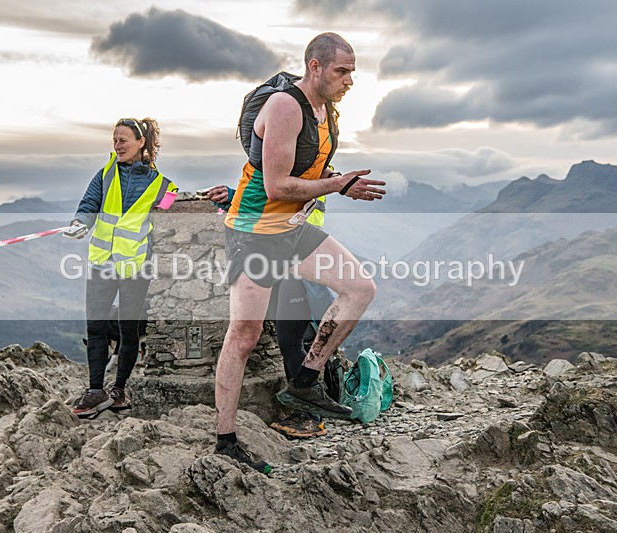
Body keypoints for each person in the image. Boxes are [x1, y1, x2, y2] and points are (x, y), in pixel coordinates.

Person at [213, 33, 386, 473]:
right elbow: (277, 186)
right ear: (314, 66)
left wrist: (340, 180)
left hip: (292, 229)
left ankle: (305, 381)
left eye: (352, 72)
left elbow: (306, 168)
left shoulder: (327, 111)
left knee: (359, 289)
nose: (350, 80)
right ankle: (226, 439)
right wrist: (340, 184)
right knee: (244, 337)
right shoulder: (285, 107)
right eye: (341, 71)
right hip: (254, 233)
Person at [66, 117, 177, 418]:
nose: (117, 145)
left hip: (135, 267)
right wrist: (80, 224)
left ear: (141, 143)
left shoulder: (164, 186)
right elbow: (89, 204)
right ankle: (94, 391)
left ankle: (119, 390)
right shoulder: (105, 174)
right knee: (96, 325)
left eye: (123, 140)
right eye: (114, 140)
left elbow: (171, 224)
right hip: (102, 262)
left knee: (128, 331)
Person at [207, 184, 335, 439]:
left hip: (296, 269)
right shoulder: (308, 167)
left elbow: (286, 202)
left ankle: (311, 417)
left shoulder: (310, 171)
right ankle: (307, 412)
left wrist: (235, 197)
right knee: (289, 341)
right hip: (283, 265)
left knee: (292, 342)